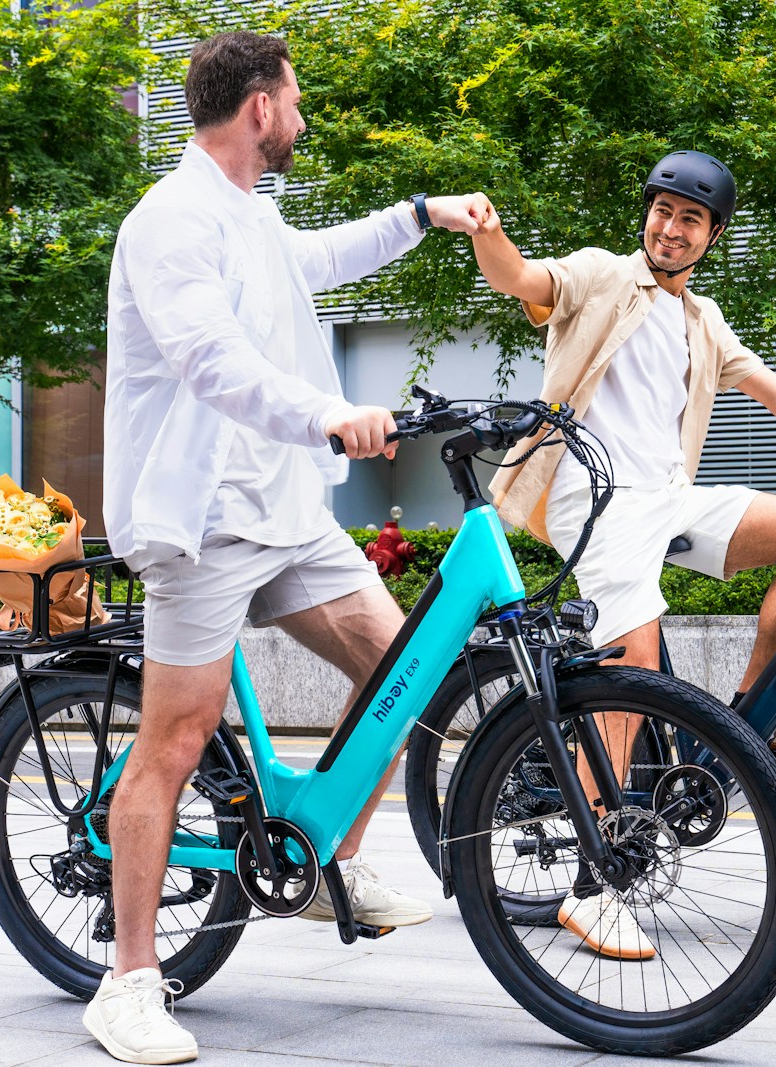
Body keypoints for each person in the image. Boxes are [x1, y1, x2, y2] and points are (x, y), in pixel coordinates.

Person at [92, 31, 487, 1064]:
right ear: (260, 108)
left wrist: (420, 217)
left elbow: (323, 257)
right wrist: (328, 413)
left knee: (405, 668)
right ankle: (129, 980)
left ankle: (332, 864)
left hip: (282, 511)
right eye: (297, 102)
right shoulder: (169, 220)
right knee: (175, 741)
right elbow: (211, 362)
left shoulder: (251, 218)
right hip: (202, 517)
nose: (303, 119)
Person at [470, 151, 776, 960]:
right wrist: (488, 232)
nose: (671, 229)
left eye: (691, 220)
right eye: (663, 212)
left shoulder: (702, 321)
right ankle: (590, 882)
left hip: (669, 493)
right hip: (597, 495)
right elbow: (522, 279)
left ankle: (758, 715)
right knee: (633, 658)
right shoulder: (604, 277)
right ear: (646, 213)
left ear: (711, 237)